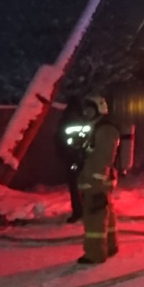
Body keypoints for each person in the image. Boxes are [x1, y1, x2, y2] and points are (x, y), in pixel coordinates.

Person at [75, 94, 120, 264]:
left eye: (89, 109)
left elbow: (104, 156)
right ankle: (110, 246)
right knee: (104, 213)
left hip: (96, 180)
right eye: (85, 110)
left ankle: (95, 254)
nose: (86, 113)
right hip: (97, 177)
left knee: (94, 216)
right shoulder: (97, 127)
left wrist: (95, 178)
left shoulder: (105, 129)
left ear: (99, 109)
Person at [54, 95, 86, 224]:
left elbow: (59, 141)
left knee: (74, 187)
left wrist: (66, 157)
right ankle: (86, 210)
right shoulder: (84, 120)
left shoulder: (64, 120)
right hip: (83, 158)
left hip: (71, 159)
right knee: (85, 186)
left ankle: (78, 211)